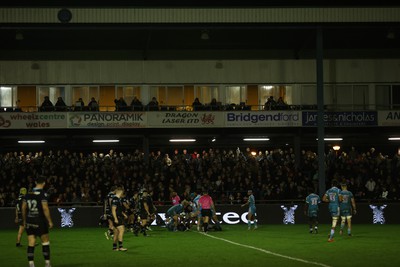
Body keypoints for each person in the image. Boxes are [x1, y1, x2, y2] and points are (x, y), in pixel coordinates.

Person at [21, 175, 53, 267]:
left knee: (31, 242)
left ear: (35, 183)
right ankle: (47, 263)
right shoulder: (43, 194)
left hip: (29, 220)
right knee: (45, 242)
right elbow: (45, 208)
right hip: (39, 220)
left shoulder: (28, 193)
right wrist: (50, 221)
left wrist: (24, 220)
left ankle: (31, 264)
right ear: (44, 183)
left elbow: (23, 208)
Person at [111, 186, 128, 251]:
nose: (122, 194)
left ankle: (114, 247)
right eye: (122, 192)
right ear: (120, 191)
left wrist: (124, 214)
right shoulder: (115, 199)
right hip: (117, 217)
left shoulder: (118, 199)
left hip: (119, 216)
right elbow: (113, 210)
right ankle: (121, 247)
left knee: (116, 232)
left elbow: (119, 210)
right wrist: (115, 218)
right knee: (122, 230)